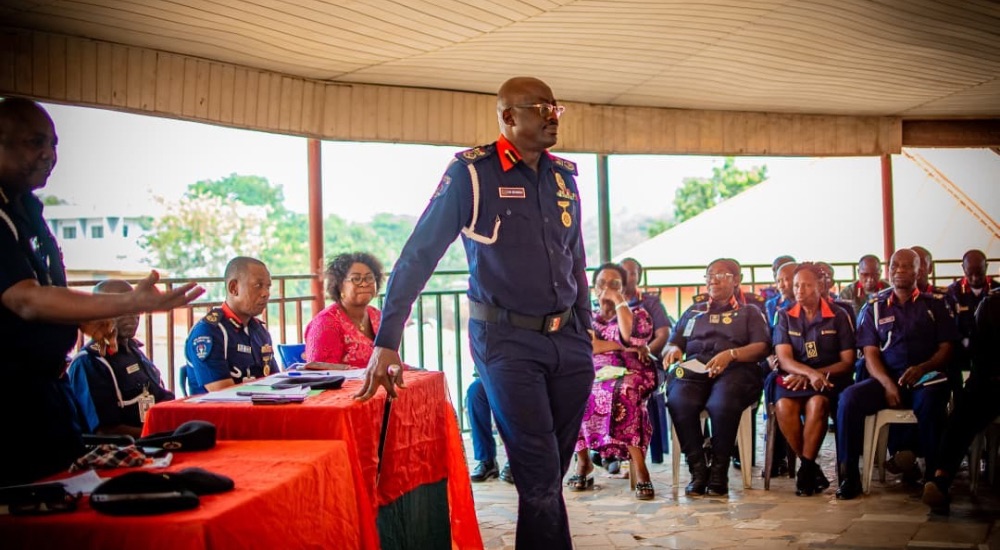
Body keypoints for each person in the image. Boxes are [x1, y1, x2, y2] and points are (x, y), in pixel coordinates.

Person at [356, 76, 593, 549]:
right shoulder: (473, 173)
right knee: (540, 474)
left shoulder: (564, 176)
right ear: (508, 117)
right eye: (541, 107)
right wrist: (387, 341)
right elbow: (418, 254)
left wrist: (584, 333)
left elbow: (577, 259)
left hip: (568, 343)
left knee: (546, 475)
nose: (552, 117)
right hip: (506, 341)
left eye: (556, 108)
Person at [0, 97, 202, 486]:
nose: (48, 155)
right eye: (34, 142)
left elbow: (44, 288)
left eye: (54, 144)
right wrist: (131, 300)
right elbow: (23, 299)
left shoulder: (25, 209)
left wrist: (86, 317)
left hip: (44, 394)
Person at [834, 248, 958, 500]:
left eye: (905, 266)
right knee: (849, 399)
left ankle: (934, 479)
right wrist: (888, 384)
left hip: (926, 378)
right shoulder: (874, 307)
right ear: (888, 271)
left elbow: (947, 348)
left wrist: (922, 368)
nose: (899, 271)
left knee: (932, 403)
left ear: (918, 270)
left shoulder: (934, 304)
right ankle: (849, 477)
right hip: (886, 378)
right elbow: (870, 353)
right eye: (894, 266)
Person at [663, 258, 770, 496]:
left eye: (721, 275)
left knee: (721, 403)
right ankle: (698, 470)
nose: (713, 280)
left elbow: (762, 347)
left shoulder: (749, 311)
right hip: (695, 370)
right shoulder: (693, 311)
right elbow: (673, 341)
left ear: (736, 280)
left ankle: (719, 471)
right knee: (680, 400)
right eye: (710, 275)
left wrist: (731, 355)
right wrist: (672, 350)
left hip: (736, 370)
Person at [571, 263, 656, 500]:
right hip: (596, 372)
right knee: (575, 390)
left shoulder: (638, 314)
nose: (606, 289)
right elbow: (590, 346)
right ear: (594, 288)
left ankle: (640, 470)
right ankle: (584, 462)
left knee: (625, 392)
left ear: (625, 288)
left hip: (631, 371)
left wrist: (618, 301)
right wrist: (621, 346)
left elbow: (632, 336)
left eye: (614, 284)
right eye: (602, 284)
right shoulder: (586, 318)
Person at [771, 263, 855, 496]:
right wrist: (808, 374)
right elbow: (784, 358)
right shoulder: (785, 315)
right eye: (796, 285)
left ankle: (805, 470)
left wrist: (818, 375)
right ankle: (809, 467)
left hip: (829, 378)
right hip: (795, 376)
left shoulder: (839, 314)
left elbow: (847, 361)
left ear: (820, 286)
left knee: (817, 404)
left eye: (807, 285)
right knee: (783, 406)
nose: (800, 290)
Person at [922, 284, 1000, 514]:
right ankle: (941, 481)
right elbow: (978, 354)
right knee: (962, 415)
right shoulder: (992, 305)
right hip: (991, 382)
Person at [68, 280, 175, 438]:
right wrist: (161, 435)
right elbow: (105, 431)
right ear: (98, 313)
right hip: (130, 448)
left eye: (133, 306)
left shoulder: (133, 351)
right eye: (121, 308)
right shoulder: (91, 362)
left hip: (156, 437)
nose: (132, 315)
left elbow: (161, 398)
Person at [185, 256, 274, 392]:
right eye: (258, 285)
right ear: (234, 288)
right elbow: (224, 395)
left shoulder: (259, 331)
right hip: (221, 412)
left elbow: (275, 380)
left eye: (268, 287)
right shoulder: (209, 332)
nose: (266, 293)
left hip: (258, 408)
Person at [619, 257, 673, 466]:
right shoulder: (605, 304)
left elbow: (664, 333)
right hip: (615, 365)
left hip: (646, 363)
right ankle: (604, 450)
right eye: (623, 272)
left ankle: (626, 454)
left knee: (627, 390)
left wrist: (647, 350)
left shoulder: (649, 303)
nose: (627, 277)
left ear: (638, 277)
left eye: (632, 273)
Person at [304, 252, 384, 368]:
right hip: (345, 386)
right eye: (356, 279)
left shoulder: (378, 316)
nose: (364, 284)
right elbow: (321, 375)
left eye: (369, 278)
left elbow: (390, 362)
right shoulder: (325, 323)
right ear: (340, 285)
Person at [945, 249, 996, 390]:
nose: (974, 278)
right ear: (963, 269)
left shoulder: (996, 291)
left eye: (979, 273)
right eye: (969, 273)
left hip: (989, 347)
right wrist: (963, 339)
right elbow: (948, 325)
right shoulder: (952, 293)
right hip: (961, 345)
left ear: (986, 267)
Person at [467, 377, 513, 484]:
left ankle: (517, 460)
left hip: (524, 374)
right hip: (495, 373)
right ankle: (487, 460)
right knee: (475, 390)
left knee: (512, 392)